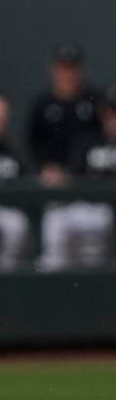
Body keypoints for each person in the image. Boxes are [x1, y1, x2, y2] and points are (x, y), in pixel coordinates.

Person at [38, 83, 116, 271]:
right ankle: (50, 284)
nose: (115, 116)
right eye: (110, 110)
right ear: (102, 112)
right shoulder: (88, 139)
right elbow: (73, 175)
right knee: (55, 220)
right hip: (91, 206)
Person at [27, 43, 99, 188]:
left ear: (82, 70)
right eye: (64, 68)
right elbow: (32, 146)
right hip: (53, 184)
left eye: (73, 68)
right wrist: (44, 168)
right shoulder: (42, 105)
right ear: (53, 70)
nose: (68, 74)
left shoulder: (93, 101)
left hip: (89, 182)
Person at [0, 94, 31, 270]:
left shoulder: (14, 151)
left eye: (2, 118)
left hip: (7, 210)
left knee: (16, 224)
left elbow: (29, 179)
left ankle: (6, 279)